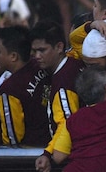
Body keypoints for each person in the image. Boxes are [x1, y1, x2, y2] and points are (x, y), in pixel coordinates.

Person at [30, 21, 83, 160]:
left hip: (72, 158)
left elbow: (68, 125)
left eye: (42, 50)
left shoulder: (63, 82)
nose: (37, 56)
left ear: (59, 47)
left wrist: (48, 152)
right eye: (34, 51)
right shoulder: (74, 63)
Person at [0, 26, 50, 147]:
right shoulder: (38, 65)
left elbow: (12, 137)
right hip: (52, 142)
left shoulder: (9, 89)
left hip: (32, 154)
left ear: (13, 56)